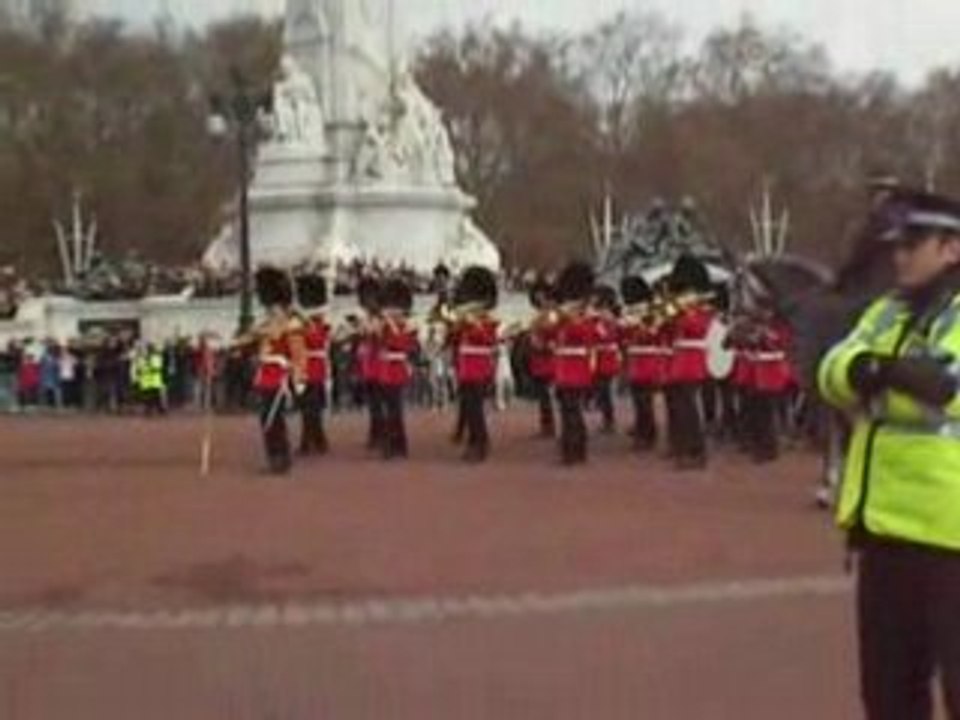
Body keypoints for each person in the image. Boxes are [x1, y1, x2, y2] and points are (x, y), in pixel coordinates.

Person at [818, 190, 960, 719]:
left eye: (915, 243)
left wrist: (877, 372)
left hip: (951, 534)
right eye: (898, 244)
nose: (900, 256)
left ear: (952, 248)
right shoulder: (886, 311)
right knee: (888, 695)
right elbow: (834, 370)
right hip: (883, 528)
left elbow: (947, 385)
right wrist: (876, 371)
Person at [241, 267, 307, 475]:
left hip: (279, 375)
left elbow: (298, 353)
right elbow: (248, 339)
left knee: (273, 418)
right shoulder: (267, 325)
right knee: (266, 419)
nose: (270, 312)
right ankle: (274, 456)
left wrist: (299, 379)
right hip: (266, 374)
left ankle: (281, 457)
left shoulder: (292, 325)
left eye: (274, 308)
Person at [663, 255, 715, 470]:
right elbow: (668, 331)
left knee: (690, 409)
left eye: (688, 292)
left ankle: (697, 451)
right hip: (679, 361)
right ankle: (681, 446)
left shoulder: (704, 311)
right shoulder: (680, 309)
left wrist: (686, 313)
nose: (684, 296)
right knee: (679, 406)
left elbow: (699, 330)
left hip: (693, 361)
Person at [448, 266, 500, 463]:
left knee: (476, 408)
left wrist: (473, 324)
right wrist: (455, 326)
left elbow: (488, 340)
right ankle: (473, 441)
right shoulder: (463, 320)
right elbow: (453, 339)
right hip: (465, 367)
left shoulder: (488, 320)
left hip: (480, 367)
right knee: (469, 407)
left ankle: (481, 443)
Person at [552, 262, 599, 466]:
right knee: (566, 409)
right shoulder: (565, 314)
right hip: (563, 366)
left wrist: (571, 320)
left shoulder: (587, 315)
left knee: (573, 410)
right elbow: (550, 334)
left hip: (577, 366)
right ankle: (570, 446)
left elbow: (586, 336)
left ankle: (576, 448)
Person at [620, 275, 669, 452]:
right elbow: (623, 335)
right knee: (638, 399)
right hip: (635, 359)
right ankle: (642, 430)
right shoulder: (628, 312)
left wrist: (642, 330)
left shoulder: (651, 311)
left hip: (648, 358)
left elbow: (656, 334)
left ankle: (648, 434)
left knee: (645, 400)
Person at [376, 277, 418, 460]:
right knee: (386, 411)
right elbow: (377, 344)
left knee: (396, 411)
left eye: (393, 308)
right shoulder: (384, 326)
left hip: (397, 370)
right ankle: (389, 444)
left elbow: (401, 345)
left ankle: (400, 446)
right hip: (384, 371)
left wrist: (392, 324)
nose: (390, 311)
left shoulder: (408, 327)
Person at [295, 272, 331, 456]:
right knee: (306, 408)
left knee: (313, 408)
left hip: (316, 370)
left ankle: (312, 442)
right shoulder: (302, 325)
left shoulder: (322, 326)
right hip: (304, 369)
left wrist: (307, 321)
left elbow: (316, 341)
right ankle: (315, 441)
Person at [356, 277, 385, 451]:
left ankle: (381, 433)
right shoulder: (367, 317)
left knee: (381, 403)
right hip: (368, 364)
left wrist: (371, 331)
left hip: (380, 365)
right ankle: (375, 433)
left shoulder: (382, 317)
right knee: (373, 403)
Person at [527, 278, 558, 438]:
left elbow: (554, 334)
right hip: (538, 358)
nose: (540, 299)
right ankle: (546, 424)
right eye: (538, 296)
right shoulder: (540, 314)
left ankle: (549, 426)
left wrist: (544, 345)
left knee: (546, 394)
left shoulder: (551, 314)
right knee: (542, 395)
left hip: (547, 358)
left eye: (542, 296)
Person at [590, 285, 622, 434]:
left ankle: (609, 421)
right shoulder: (598, 318)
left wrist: (598, 325)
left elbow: (610, 337)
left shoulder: (610, 319)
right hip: (599, 357)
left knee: (605, 391)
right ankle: (606, 419)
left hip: (608, 358)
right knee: (601, 390)